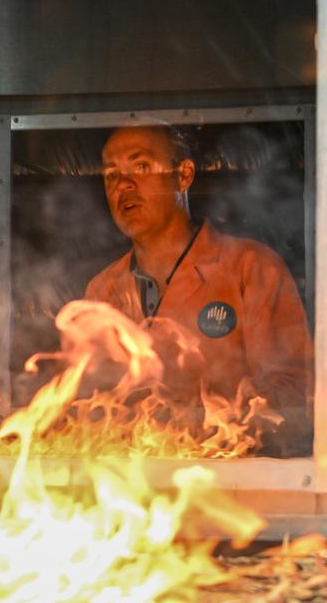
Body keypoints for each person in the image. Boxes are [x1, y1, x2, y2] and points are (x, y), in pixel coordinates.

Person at [84, 122, 311, 447]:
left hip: (234, 486)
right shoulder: (101, 293)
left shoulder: (251, 267)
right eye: (111, 175)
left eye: (141, 166)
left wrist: (203, 416)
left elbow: (296, 390)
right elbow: (93, 408)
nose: (124, 185)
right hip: (132, 491)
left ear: (183, 175)